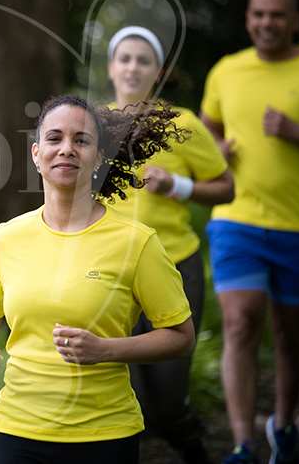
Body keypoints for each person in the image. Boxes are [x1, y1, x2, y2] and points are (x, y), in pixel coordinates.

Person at [0, 94, 197, 464]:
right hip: (16, 431)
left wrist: (107, 350)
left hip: (105, 433)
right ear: (37, 154)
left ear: (99, 157)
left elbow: (181, 338)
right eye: (54, 139)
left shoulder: (137, 241)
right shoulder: (5, 238)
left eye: (81, 140)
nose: (66, 149)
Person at [200, 0, 299, 464]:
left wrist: (298, 132)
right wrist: (214, 149)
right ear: (247, 19)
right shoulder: (226, 70)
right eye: (258, 14)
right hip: (236, 219)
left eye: (276, 15)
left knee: (290, 334)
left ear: (294, 21)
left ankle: (283, 424)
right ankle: (243, 443)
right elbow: (206, 127)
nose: (266, 23)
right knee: (240, 323)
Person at [105, 26, 235, 464]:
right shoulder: (93, 125)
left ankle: (195, 451)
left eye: (143, 60)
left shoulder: (183, 126)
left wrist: (178, 185)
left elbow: (226, 187)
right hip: (109, 272)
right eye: (124, 58)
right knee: (128, 398)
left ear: (158, 71)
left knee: (167, 397)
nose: (133, 67)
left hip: (175, 265)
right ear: (110, 67)